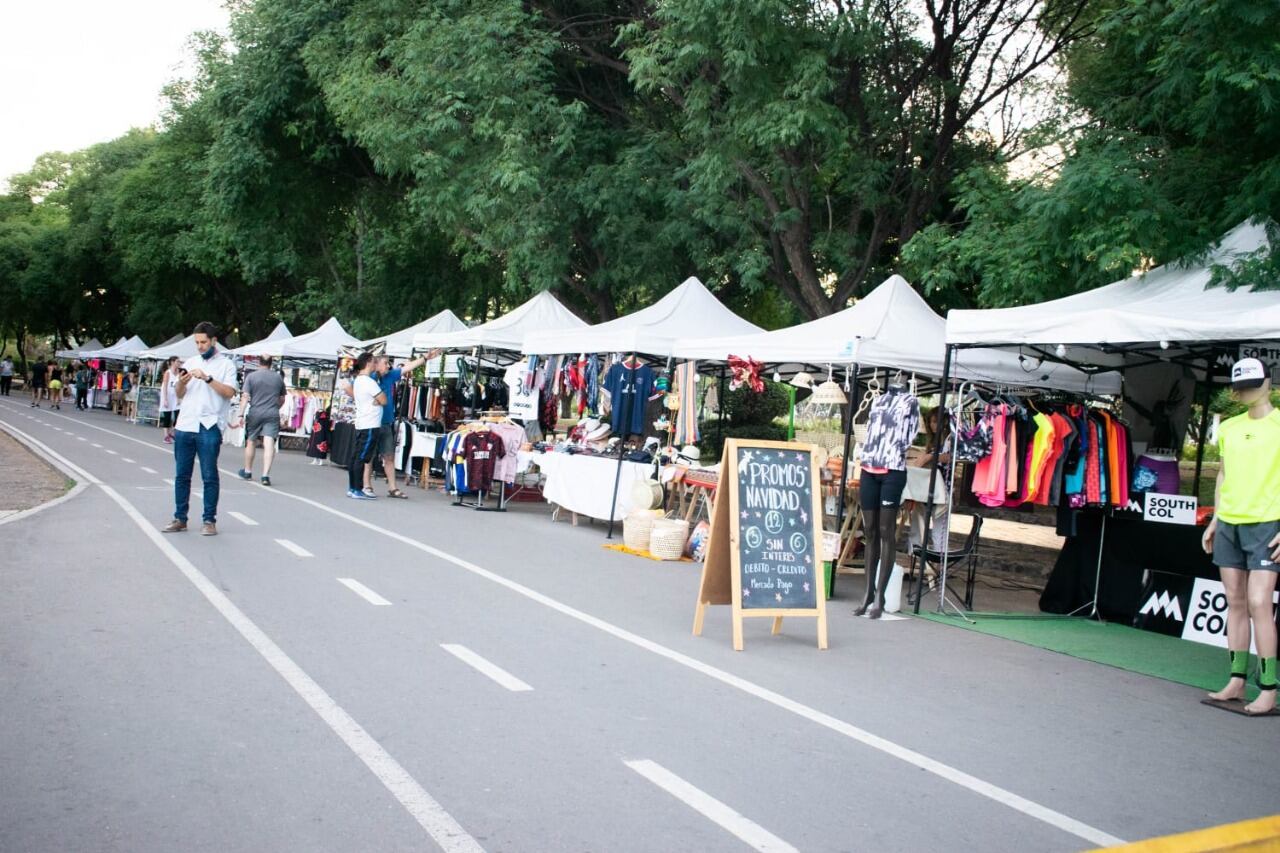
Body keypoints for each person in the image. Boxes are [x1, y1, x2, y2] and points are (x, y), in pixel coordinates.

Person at [1202, 357, 1280, 715]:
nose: (1245, 391)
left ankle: (1268, 688)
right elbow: (1222, 473)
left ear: (1268, 383)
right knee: (1235, 601)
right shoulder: (1230, 428)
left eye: (1251, 383)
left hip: (1267, 522)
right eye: (1239, 386)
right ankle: (1236, 680)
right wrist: (1215, 519)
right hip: (1230, 522)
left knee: (1260, 602)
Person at [163, 322, 238, 536]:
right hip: (186, 423)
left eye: (203, 342)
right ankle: (180, 518)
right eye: (197, 342)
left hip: (210, 425)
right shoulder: (191, 361)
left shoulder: (226, 365)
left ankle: (209, 520)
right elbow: (179, 394)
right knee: (181, 475)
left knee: (209, 475)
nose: (200, 346)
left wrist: (207, 378)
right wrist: (182, 382)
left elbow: (228, 392)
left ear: (214, 341)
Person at [373, 353, 430, 498]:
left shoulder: (390, 376)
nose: (388, 365)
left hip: (386, 422)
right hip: (371, 422)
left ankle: (392, 488)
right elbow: (351, 388)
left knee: (389, 456)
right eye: (385, 363)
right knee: (368, 457)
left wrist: (425, 358)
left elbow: (407, 368)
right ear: (377, 364)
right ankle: (366, 486)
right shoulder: (369, 378)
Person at [231, 355, 286, 486]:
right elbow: (282, 398)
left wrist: (240, 414)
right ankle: (265, 475)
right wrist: (275, 407)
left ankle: (248, 471)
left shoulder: (251, 377)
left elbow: (245, 397)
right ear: (271, 363)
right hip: (272, 413)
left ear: (258, 362)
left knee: (251, 441)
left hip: (255, 412)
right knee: (269, 443)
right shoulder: (278, 378)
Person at [347, 352, 385, 501]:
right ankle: (357, 488)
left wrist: (377, 400)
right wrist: (377, 401)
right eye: (375, 362)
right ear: (369, 363)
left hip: (362, 422)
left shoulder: (358, 381)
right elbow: (383, 399)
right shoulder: (369, 382)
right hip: (370, 423)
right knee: (362, 457)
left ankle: (352, 487)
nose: (376, 365)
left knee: (356, 455)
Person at [158, 357, 181, 441]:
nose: (179, 363)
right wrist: (165, 399)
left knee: (178, 415)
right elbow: (165, 386)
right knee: (167, 416)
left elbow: (179, 385)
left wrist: (179, 397)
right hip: (167, 396)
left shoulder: (179, 372)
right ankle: (166, 435)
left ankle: (171, 432)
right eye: (177, 361)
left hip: (175, 396)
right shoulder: (168, 373)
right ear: (172, 362)